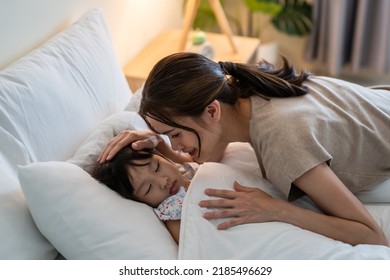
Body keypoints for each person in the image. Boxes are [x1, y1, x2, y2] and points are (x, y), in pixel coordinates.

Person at [99, 52, 390, 247]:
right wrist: (161, 146)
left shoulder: (280, 137)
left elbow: (372, 236)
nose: (176, 145)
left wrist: (278, 210)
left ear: (212, 112)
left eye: (175, 134)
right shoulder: (242, 94)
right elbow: (209, 151)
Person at [93, 144, 198, 243]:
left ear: (161, 156)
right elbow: (193, 245)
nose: (163, 181)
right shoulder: (172, 211)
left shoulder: (188, 169)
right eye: (148, 188)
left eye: (157, 167)